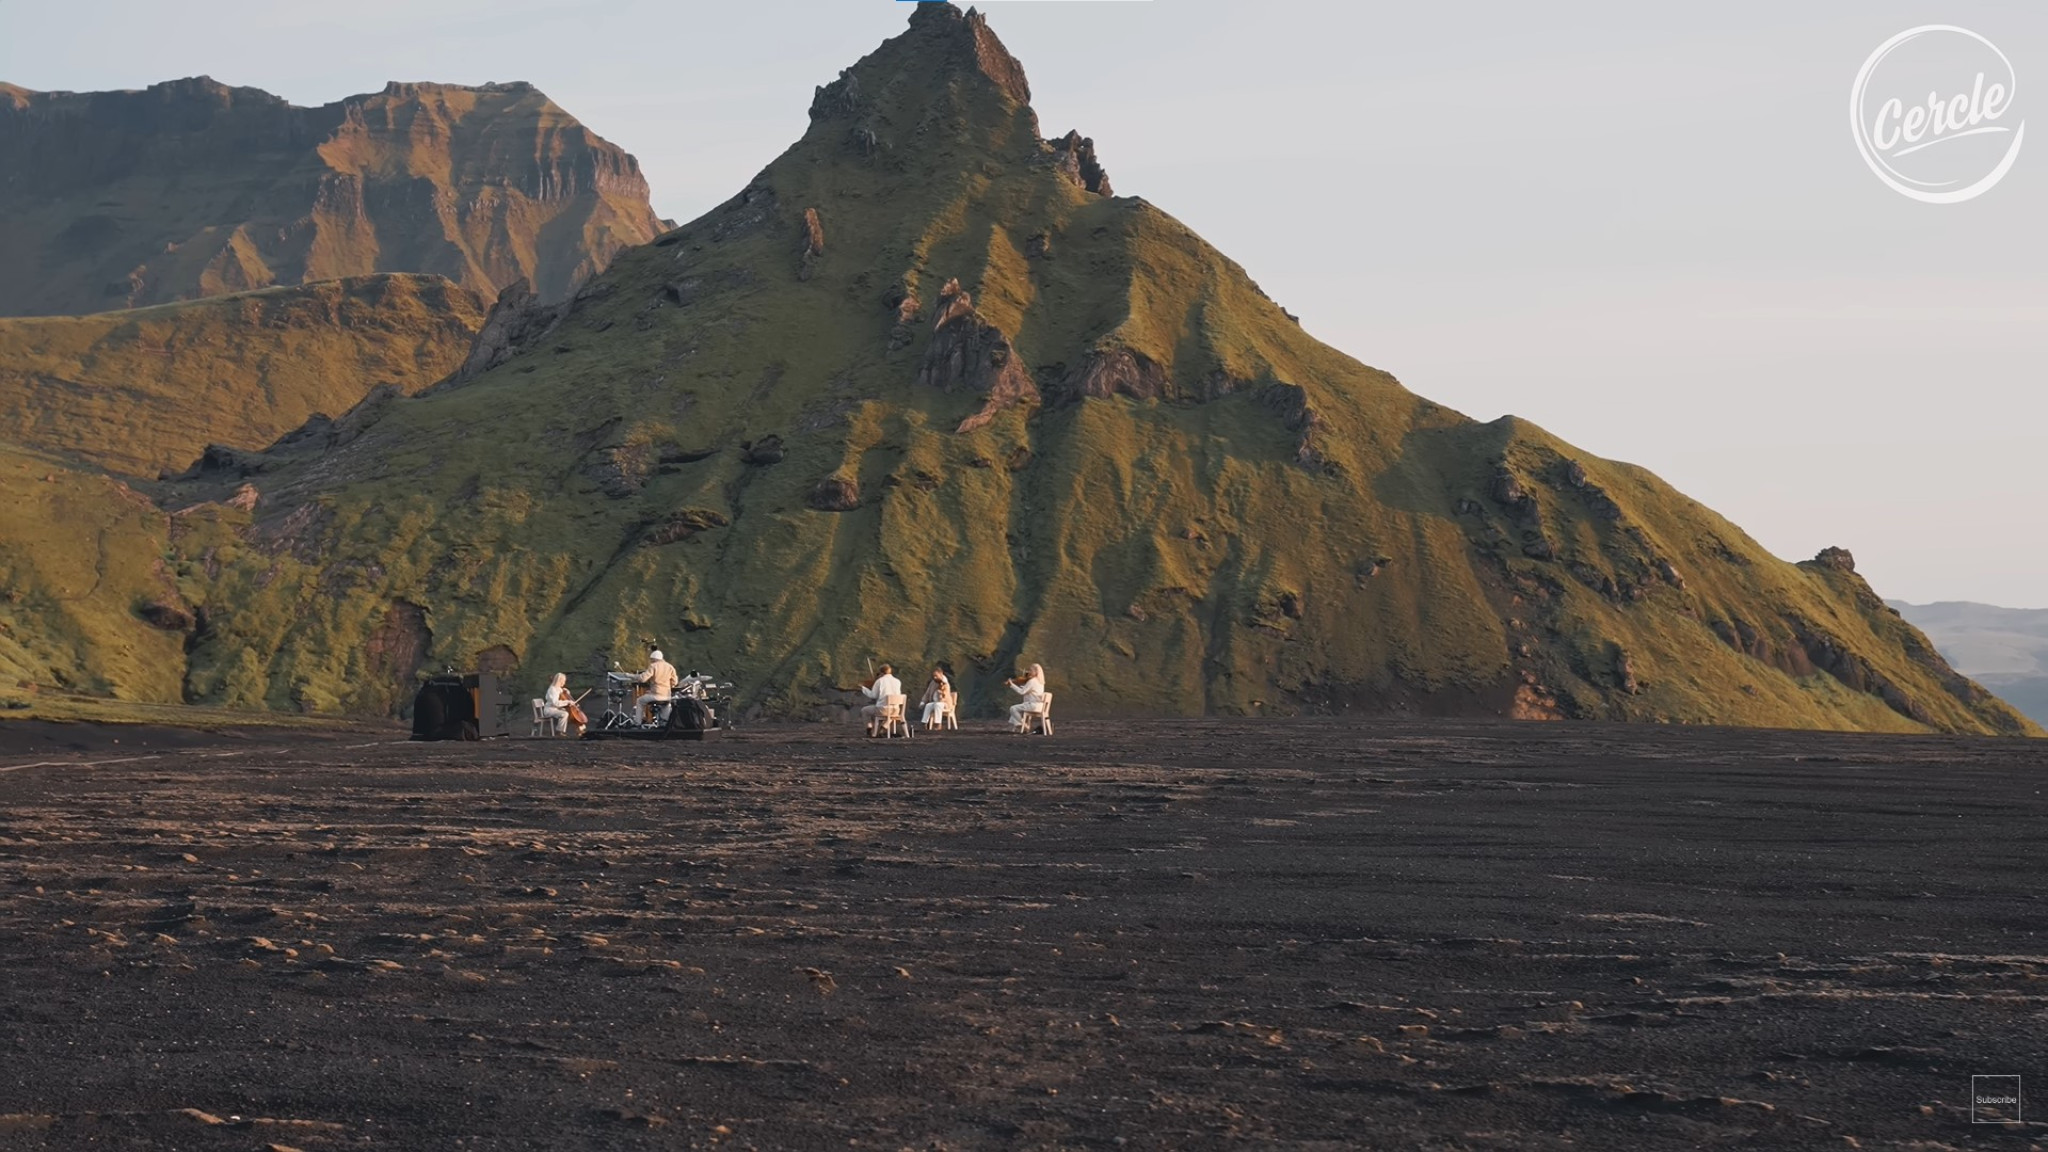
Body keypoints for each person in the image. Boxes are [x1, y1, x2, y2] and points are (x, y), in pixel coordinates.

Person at [635, 647, 681, 725]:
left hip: (656, 695)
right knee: (666, 706)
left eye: (651, 659)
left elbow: (643, 679)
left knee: (640, 701)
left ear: (654, 659)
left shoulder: (653, 666)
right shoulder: (670, 667)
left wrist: (632, 676)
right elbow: (675, 682)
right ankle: (665, 724)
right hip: (667, 695)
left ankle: (637, 723)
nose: (651, 661)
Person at [860, 663, 902, 736]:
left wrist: (864, 689)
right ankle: (884, 727)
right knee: (891, 712)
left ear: (881, 673)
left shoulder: (879, 681)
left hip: (883, 710)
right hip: (896, 710)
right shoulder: (897, 681)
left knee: (864, 710)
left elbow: (873, 695)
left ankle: (869, 729)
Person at [1007, 663, 1047, 733]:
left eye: (1031, 670)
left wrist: (1012, 685)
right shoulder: (1041, 682)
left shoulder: (1032, 681)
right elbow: (1030, 690)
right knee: (1015, 711)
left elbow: (1022, 692)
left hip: (1033, 705)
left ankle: (1025, 726)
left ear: (1036, 672)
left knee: (1013, 708)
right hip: (1040, 706)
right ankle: (1019, 725)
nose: (1029, 672)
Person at [541, 672, 580, 736]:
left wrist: (567, 692)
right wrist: (568, 702)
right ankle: (559, 731)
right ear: (560, 681)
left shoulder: (558, 689)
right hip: (549, 710)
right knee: (564, 714)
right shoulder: (552, 690)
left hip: (555, 709)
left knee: (566, 712)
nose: (564, 683)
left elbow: (564, 694)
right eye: (563, 681)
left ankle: (562, 730)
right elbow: (555, 703)